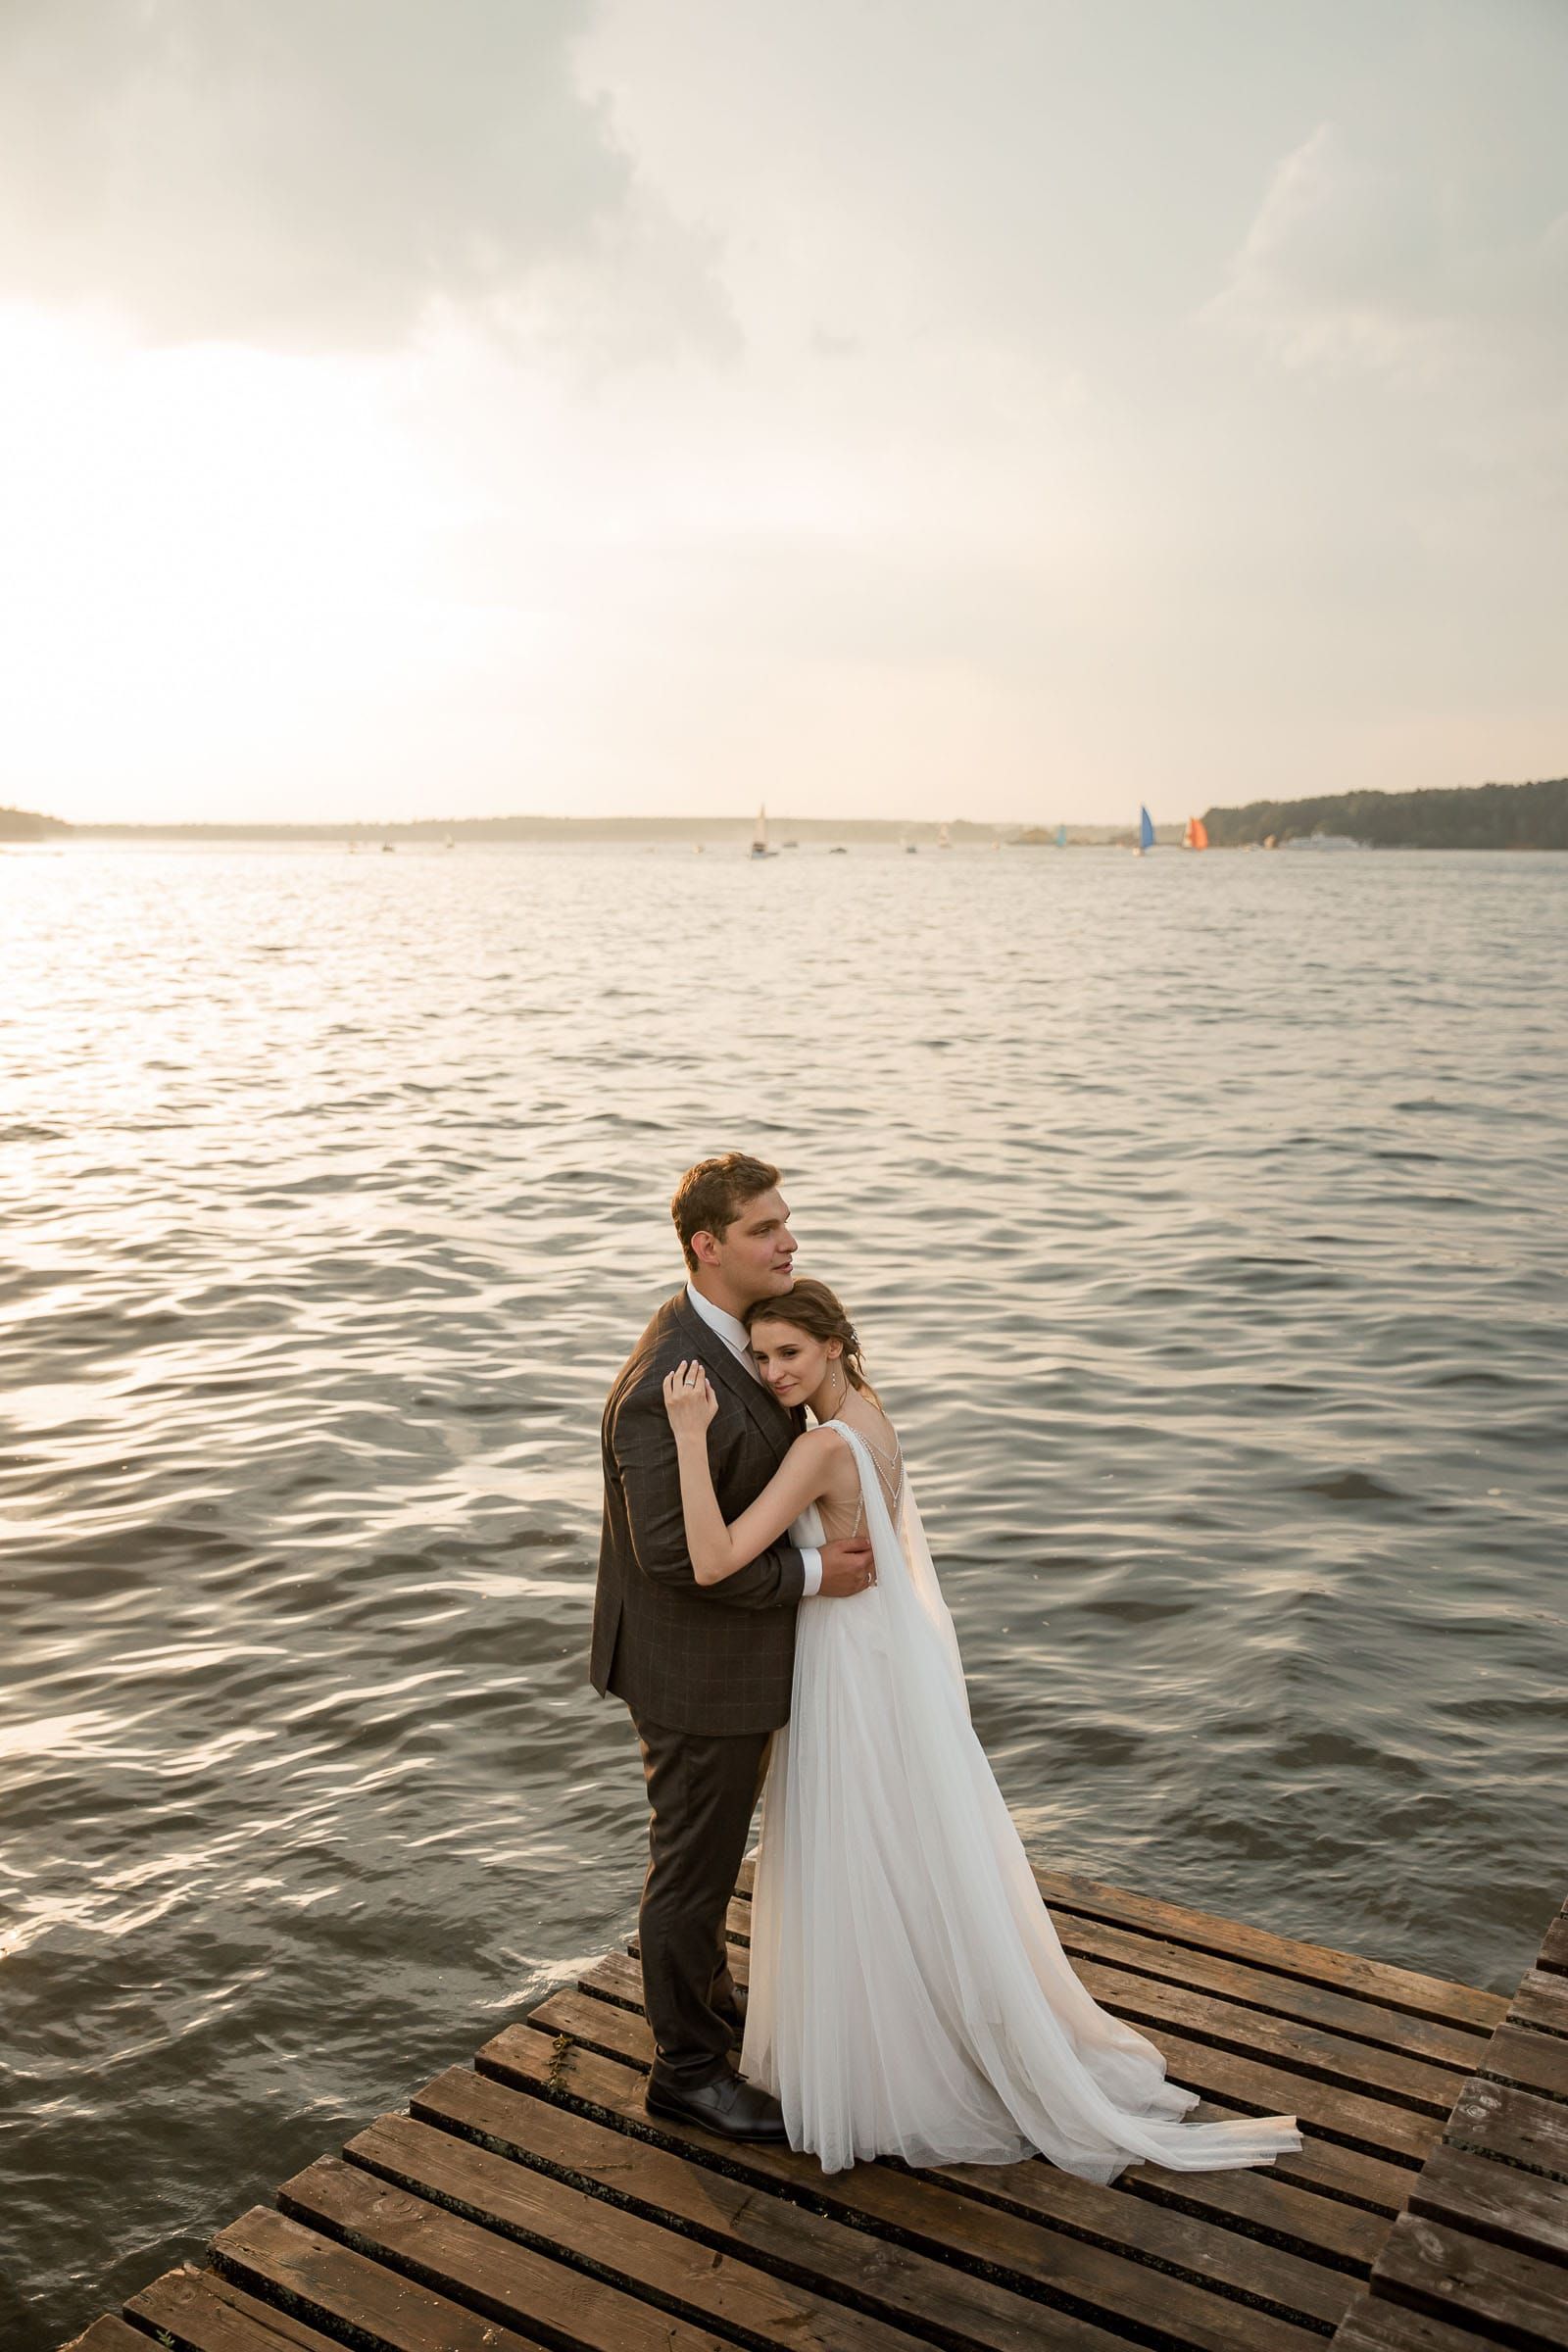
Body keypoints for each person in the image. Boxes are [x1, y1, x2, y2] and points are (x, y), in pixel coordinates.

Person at [660, 1275, 1302, 2180]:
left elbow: (715, 1555)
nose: (771, 1373)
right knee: (902, 1846)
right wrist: (812, 1553)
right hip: (883, 1655)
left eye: (790, 1354)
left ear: (834, 1345)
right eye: (760, 1356)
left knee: (856, 1848)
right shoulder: (871, 1417)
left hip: (846, 1663)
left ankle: (887, 2059)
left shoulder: (817, 1452)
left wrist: (691, 1436)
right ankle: (928, 2019)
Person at [592, 1155, 874, 2143]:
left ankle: (708, 2014)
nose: (788, 1241)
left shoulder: (742, 1347)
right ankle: (686, 2073)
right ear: (709, 1246)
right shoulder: (664, 1380)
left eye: (786, 1222)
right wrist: (811, 1577)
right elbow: (670, 1555)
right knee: (691, 1870)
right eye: (766, 1229)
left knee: (708, 1861)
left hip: (731, 1662)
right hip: (692, 1670)